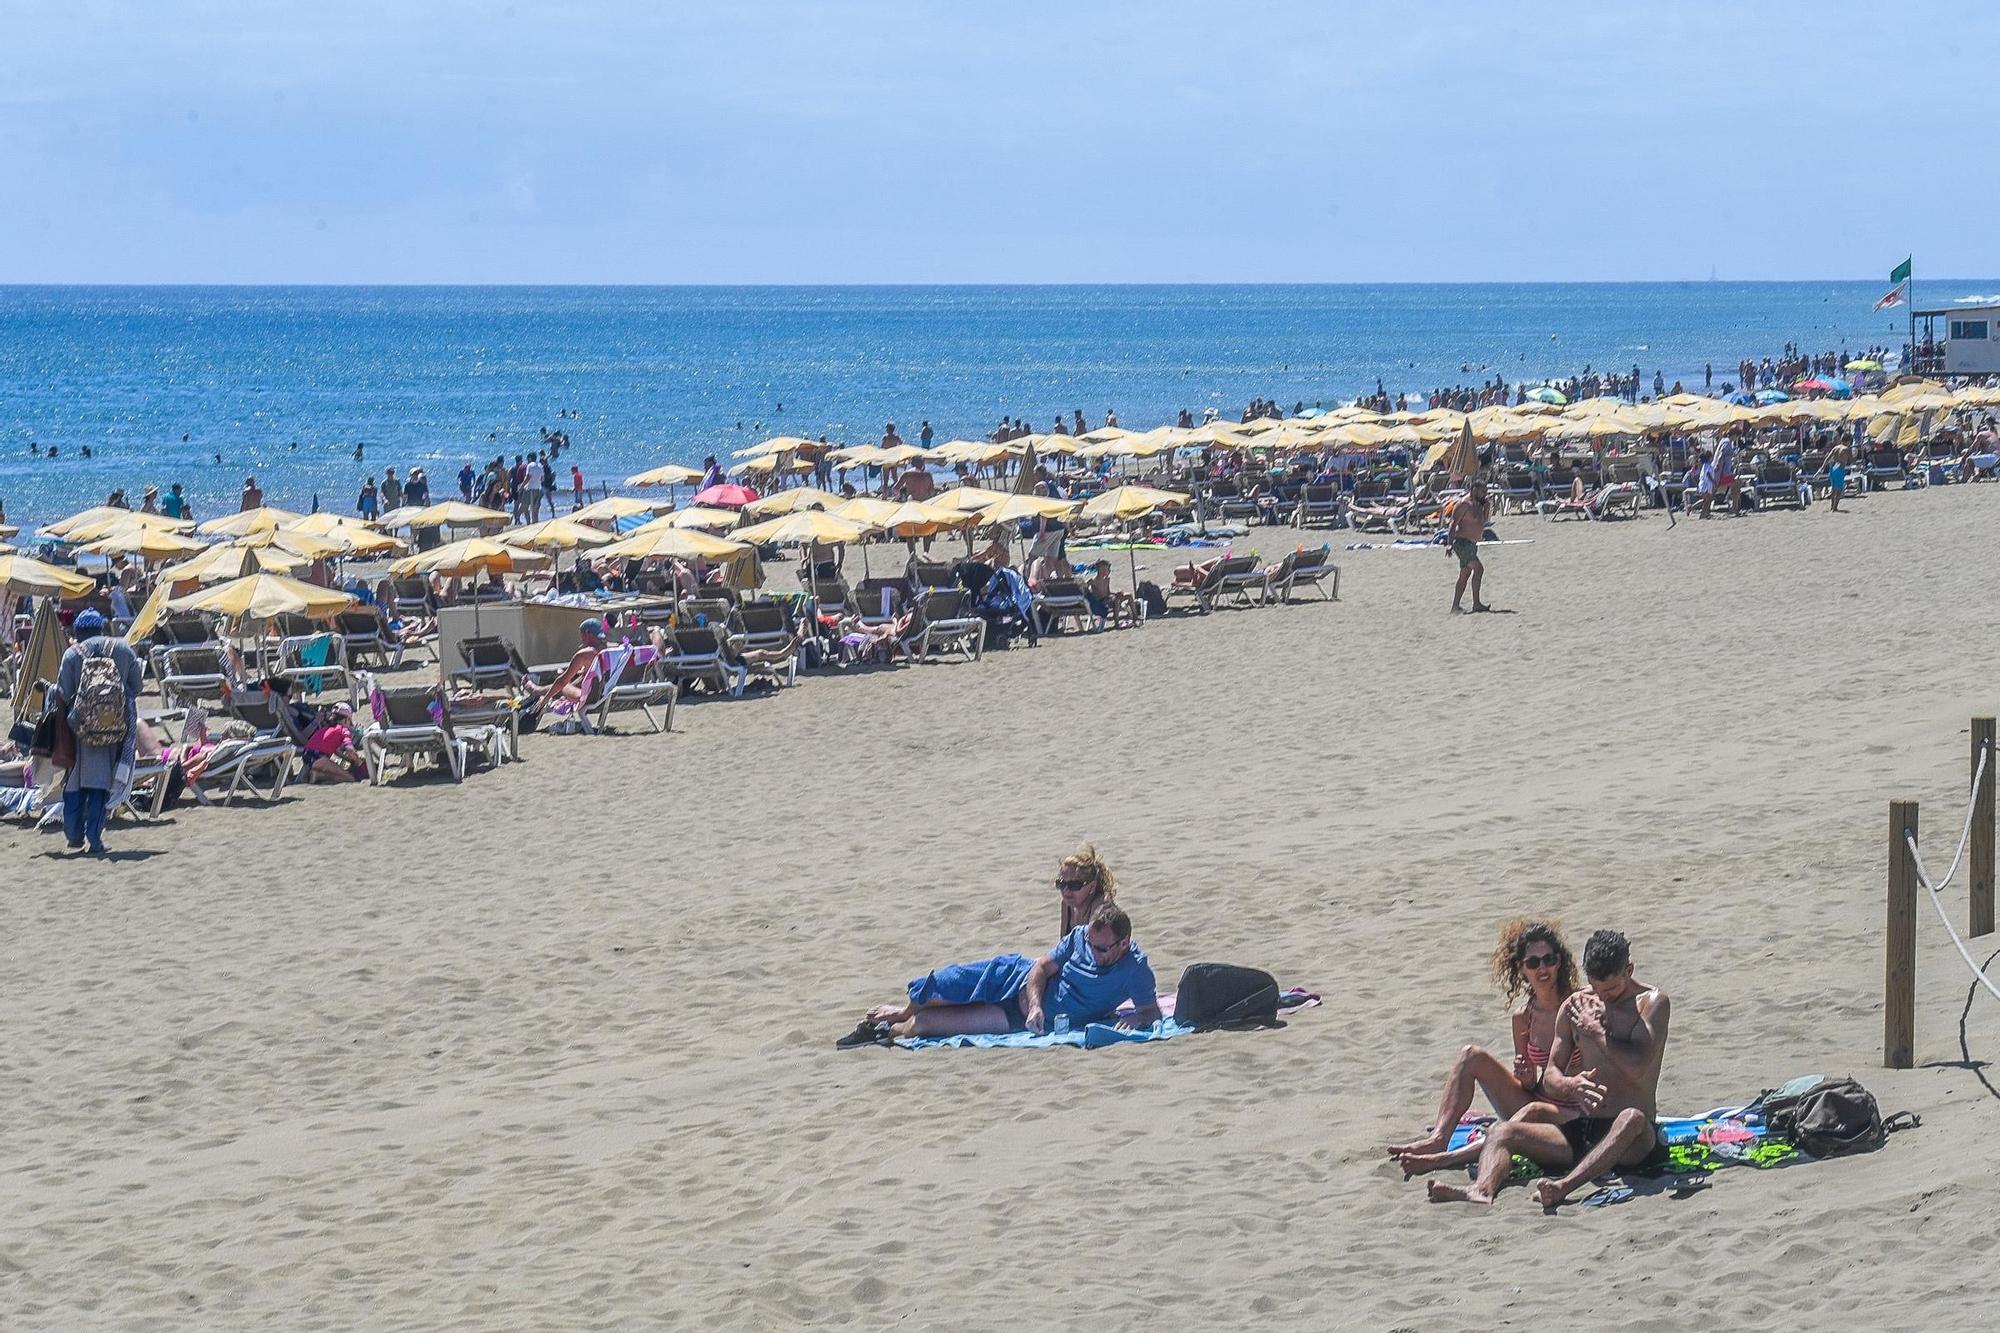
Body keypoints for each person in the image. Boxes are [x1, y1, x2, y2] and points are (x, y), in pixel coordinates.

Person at [1427, 930, 1671, 1206]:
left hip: (1634, 1140)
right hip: (1584, 1128)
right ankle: (1482, 1189)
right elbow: (1552, 1075)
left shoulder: (1652, 1003)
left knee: (1631, 1117)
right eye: (1596, 987)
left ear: (1628, 971)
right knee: (1501, 1131)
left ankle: (1563, 1187)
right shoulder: (1576, 1005)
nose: (1603, 997)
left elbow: (1637, 1067)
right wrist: (1571, 1085)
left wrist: (1597, 1033)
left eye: (1612, 989)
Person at [1387, 920, 1583, 1173]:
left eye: (1549, 960)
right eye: (1533, 963)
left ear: (1560, 961)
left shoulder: (1579, 1005)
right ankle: (1439, 1139)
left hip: (1574, 1113)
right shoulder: (1523, 1017)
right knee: (1471, 1055)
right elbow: (1530, 1084)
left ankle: (1446, 1159)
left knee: (1533, 1109)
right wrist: (1524, 1078)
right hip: (1537, 1100)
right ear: (1521, 968)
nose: (1542, 968)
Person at [843, 901, 1159, 1046]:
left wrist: (1137, 1018)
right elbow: (1041, 967)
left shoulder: (1135, 969)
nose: (1094, 953)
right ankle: (902, 1009)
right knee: (942, 985)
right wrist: (1035, 1003)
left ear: (1124, 943)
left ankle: (885, 1032)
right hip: (1015, 978)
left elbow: (1150, 1011)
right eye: (1092, 945)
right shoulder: (1080, 939)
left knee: (926, 1025)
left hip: (1020, 1021)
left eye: (1102, 949)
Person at [48, 609, 144, 854]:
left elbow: (63, 692)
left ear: (78, 632)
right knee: (101, 782)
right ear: (101, 628)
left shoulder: (72, 654)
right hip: (114, 728)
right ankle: (95, 838)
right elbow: (137, 686)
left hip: (79, 730)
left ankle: (74, 835)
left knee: (75, 781)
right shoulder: (122, 650)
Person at [534, 619, 607, 712]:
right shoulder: (612, 649)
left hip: (590, 699)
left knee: (562, 685)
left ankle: (535, 689)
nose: (581, 638)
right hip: (607, 694)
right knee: (574, 680)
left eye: (581, 634)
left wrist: (545, 700)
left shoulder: (584, 654)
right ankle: (537, 689)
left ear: (588, 633)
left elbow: (562, 681)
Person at [1445, 478, 1490, 613]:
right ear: (1474, 490)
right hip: (1462, 543)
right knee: (1479, 569)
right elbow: (1453, 524)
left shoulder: (1479, 504)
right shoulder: (1464, 504)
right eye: (1483, 491)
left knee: (1465, 574)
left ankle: (1455, 606)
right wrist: (1449, 544)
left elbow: (1484, 521)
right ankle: (1476, 603)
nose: (1485, 494)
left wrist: (1487, 507)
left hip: (1472, 543)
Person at [303, 703, 366, 783]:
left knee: (339, 770)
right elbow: (350, 750)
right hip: (319, 757)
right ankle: (318, 775)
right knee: (350, 778)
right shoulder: (343, 730)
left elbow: (336, 752)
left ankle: (317, 773)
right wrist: (357, 760)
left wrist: (348, 761)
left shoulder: (326, 728)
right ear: (346, 720)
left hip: (306, 755)